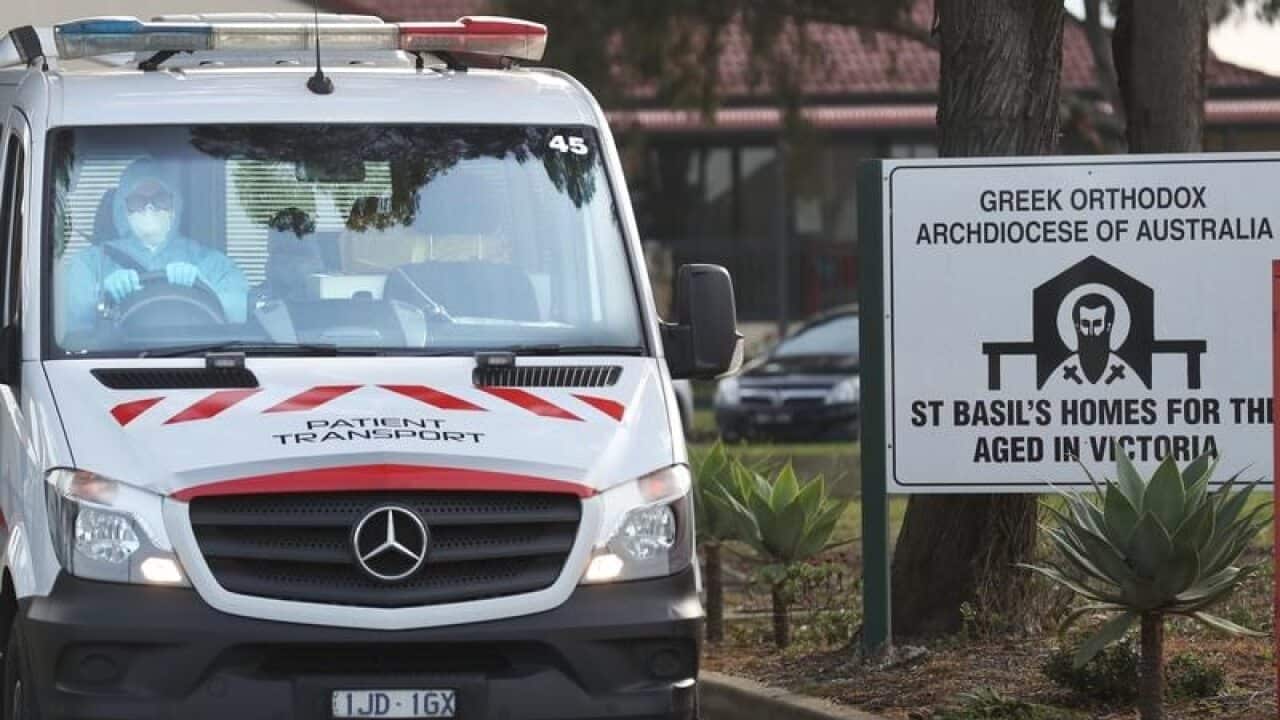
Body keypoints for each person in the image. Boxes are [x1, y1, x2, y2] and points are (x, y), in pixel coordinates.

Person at [61, 159, 248, 335]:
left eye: (160, 199)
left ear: (176, 203)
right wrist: (100, 298)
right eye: (137, 201)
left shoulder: (211, 263)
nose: (149, 209)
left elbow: (239, 317)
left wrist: (205, 288)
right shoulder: (90, 264)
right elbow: (71, 327)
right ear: (121, 207)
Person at [1049, 293, 1137, 388]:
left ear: (1108, 326)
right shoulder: (1063, 370)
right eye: (1085, 324)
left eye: (1097, 324)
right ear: (1077, 326)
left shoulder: (1124, 370)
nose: (1091, 332)